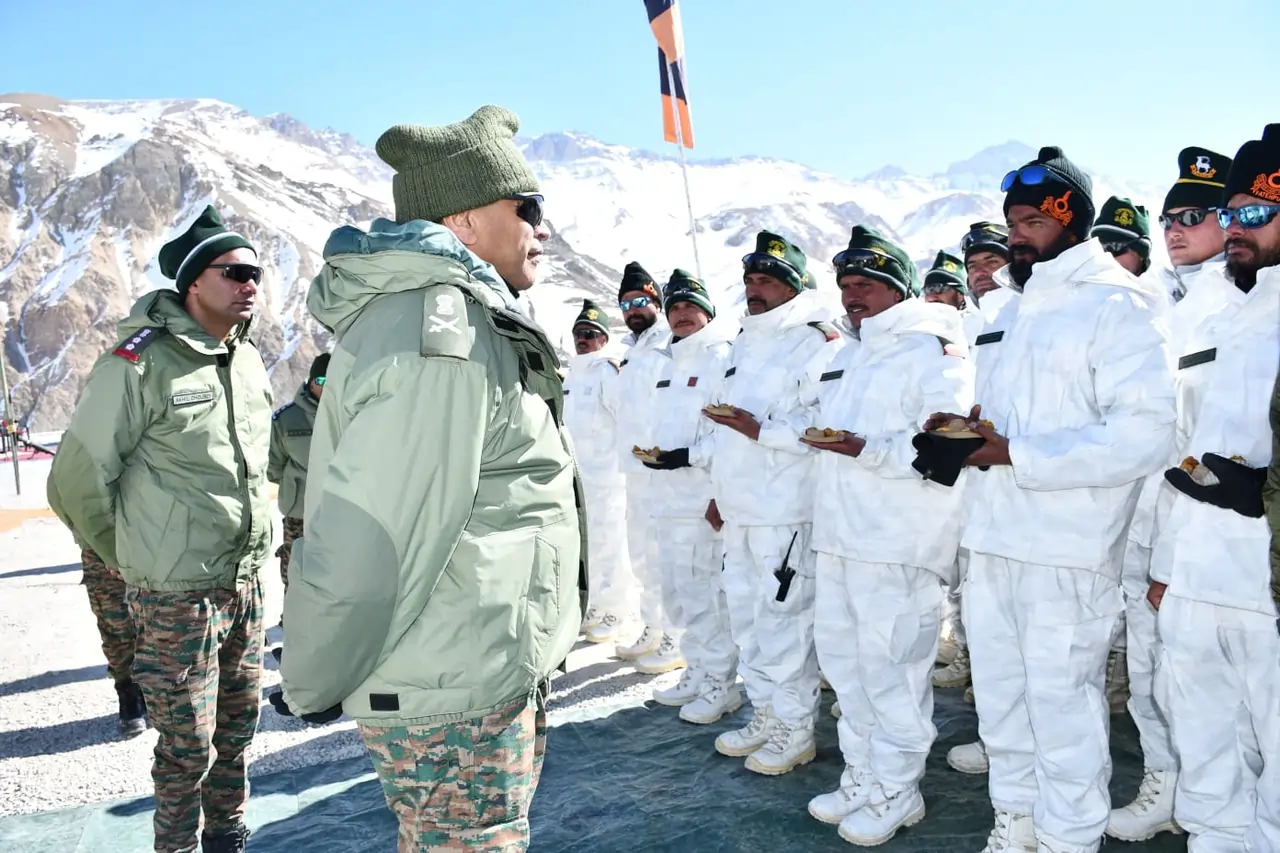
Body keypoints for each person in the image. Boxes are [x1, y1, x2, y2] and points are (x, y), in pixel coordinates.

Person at [271, 105, 585, 853]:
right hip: (454, 686)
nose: (542, 228)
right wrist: (314, 676)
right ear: (468, 221)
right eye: (528, 207)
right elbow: (376, 535)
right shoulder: (440, 330)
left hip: (469, 666)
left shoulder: (455, 317)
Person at [942, 146, 1178, 853]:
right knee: (1004, 707)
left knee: (1062, 709)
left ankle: (1069, 839)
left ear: (1069, 217)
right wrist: (974, 433)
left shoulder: (1119, 303)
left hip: (1066, 551)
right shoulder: (1012, 311)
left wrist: (1014, 451)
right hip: (993, 538)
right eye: (1010, 221)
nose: (1013, 235)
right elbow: (1014, 421)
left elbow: (1143, 435)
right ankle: (1014, 826)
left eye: (1028, 221)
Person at [48, 204, 273, 853]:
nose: (249, 283)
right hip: (176, 597)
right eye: (235, 271)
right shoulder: (138, 363)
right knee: (186, 747)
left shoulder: (245, 359)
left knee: (236, 732)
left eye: (254, 271)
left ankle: (229, 837)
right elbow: (74, 479)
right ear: (194, 282)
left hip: (244, 587)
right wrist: (129, 556)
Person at [803, 226, 974, 844]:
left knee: (893, 671)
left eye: (867, 285)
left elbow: (948, 446)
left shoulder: (933, 351)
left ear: (897, 287)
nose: (853, 297)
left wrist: (864, 448)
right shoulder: (850, 355)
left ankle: (899, 790)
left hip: (898, 541)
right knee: (849, 672)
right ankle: (863, 777)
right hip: (843, 536)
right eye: (846, 286)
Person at [1147, 124, 1280, 852]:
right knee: (1208, 762)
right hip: (1199, 575)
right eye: (1231, 212)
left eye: (1256, 213)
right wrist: (1168, 567)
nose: (1235, 228)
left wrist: (1255, 486)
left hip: (1264, 581)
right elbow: (1185, 451)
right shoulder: (1220, 314)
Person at [1106, 144, 1235, 843]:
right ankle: (1168, 783)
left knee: (1214, 686)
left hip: (1206, 536)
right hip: (1148, 521)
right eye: (1169, 217)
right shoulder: (1161, 308)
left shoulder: (1242, 307)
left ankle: (1224, 808)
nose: (1176, 229)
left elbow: (1219, 446)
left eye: (1196, 215)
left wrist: (1174, 558)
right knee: (1154, 673)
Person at [704, 230, 844, 776]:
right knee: (748, 619)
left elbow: (825, 421)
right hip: (740, 507)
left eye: (766, 280)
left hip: (785, 507)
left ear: (792, 286)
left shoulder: (816, 340)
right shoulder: (742, 340)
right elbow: (722, 423)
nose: (753, 290)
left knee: (784, 621)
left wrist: (760, 430)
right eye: (749, 280)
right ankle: (765, 713)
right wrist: (720, 491)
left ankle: (795, 727)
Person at [640, 270, 739, 717]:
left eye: (689, 306)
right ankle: (698, 668)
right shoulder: (666, 362)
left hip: (702, 499)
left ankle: (722, 682)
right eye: (673, 307)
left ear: (707, 312)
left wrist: (688, 457)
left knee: (707, 595)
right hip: (667, 500)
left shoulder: (720, 357)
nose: (681, 314)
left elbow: (730, 433)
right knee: (680, 593)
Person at [611, 262, 679, 667]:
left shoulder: (669, 344)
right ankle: (655, 627)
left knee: (668, 557)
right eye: (626, 304)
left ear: (656, 301)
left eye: (641, 301)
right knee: (643, 557)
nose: (633, 310)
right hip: (634, 472)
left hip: (663, 469)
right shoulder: (631, 353)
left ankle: (678, 638)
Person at [562, 299, 630, 644]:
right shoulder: (571, 376)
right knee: (587, 547)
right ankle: (596, 607)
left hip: (607, 479)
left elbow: (625, 420)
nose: (583, 339)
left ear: (604, 339)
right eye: (578, 334)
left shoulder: (607, 372)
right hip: (579, 479)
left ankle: (616, 611)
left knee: (610, 546)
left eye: (590, 333)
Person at [267, 352, 327, 617]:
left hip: (339, 511)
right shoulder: (287, 419)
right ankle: (290, 620)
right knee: (294, 568)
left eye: (333, 379)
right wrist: (296, 486)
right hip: (299, 512)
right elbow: (273, 467)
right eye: (321, 379)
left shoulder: (353, 413)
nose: (326, 386)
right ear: (311, 381)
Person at [78, 545, 146, 738]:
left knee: (161, 625)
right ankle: (129, 695)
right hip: (103, 549)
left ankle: (153, 693)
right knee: (117, 628)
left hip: (154, 542)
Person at [1091, 196, 1153, 278]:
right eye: (1099, 249)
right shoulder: (1076, 287)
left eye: (1116, 247)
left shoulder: (1161, 289)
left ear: (1141, 254)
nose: (1106, 256)